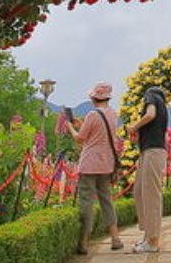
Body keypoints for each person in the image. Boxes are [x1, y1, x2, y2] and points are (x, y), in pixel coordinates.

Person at [65, 82, 124, 255]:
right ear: (108, 97)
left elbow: (80, 138)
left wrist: (70, 126)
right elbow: (100, 133)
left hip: (89, 165)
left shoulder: (92, 114)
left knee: (86, 203)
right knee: (107, 201)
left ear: (93, 98)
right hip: (106, 165)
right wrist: (81, 123)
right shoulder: (113, 115)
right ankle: (115, 238)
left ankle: (83, 242)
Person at [126, 86, 168, 254]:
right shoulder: (161, 103)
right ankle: (148, 235)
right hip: (148, 151)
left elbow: (150, 114)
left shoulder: (150, 95)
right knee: (139, 192)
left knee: (150, 195)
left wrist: (134, 127)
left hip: (153, 151)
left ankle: (152, 241)